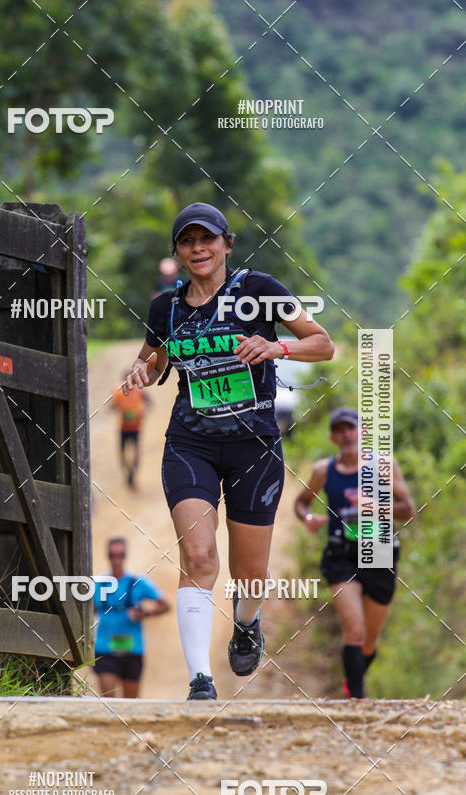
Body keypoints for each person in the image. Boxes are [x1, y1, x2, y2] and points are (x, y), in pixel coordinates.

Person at [122, 201, 334, 700]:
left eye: (207, 239)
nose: (198, 249)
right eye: (187, 241)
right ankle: (200, 682)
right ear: (177, 250)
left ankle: (246, 622)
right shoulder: (166, 307)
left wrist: (278, 347)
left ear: (226, 244)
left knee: (251, 574)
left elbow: (323, 344)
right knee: (198, 558)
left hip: (254, 446)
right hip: (190, 443)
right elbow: (150, 364)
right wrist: (139, 373)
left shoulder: (259, 291)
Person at [294, 407, 415, 699]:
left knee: (369, 641)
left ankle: (353, 681)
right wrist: (308, 518)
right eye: (341, 430)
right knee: (356, 630)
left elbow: (407, 510)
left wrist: (374, 506)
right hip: (341, 555)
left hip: (380, 552)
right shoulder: (324, 470)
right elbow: (302, 502)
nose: (347, 434)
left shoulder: (384, 465)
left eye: (352, 428)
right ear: (333, 437)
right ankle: (356, 701)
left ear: (362, 432)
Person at [92, 536, 170, 698]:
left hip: (132, 649)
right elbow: (88, 611)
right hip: (105, 648)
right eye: (112, 555)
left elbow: (165, 605)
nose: (116, 560)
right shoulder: (97, 584)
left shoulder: (138, 582)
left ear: (125, 556)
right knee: (108, 700)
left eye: (120, 555)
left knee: (130, 703)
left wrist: (145, 613)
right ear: (108, 556)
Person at [110, 373, 150, 488]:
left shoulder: (140, 392)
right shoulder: (118, 392)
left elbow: (149, 403)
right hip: (124, 427)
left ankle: (131, 476)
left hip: (135, 427)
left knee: (134, 453)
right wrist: (120, 408)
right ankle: (129, 475)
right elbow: (111, 406)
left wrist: (141, 411)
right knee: (123, 454)